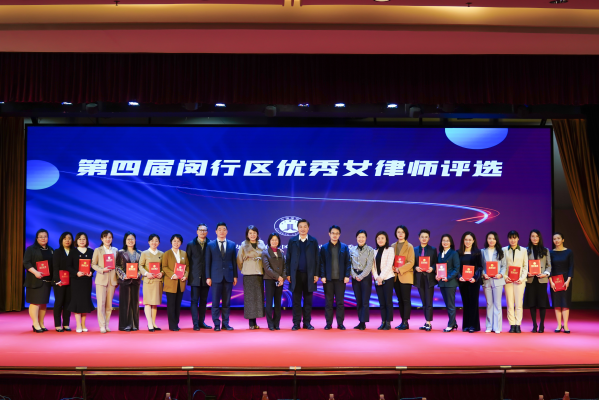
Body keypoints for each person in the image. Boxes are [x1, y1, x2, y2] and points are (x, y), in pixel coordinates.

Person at [285, 219, 319, 331]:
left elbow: (317, 259)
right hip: (296, 275)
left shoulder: (313, 241)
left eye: (305, 226)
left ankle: (307, 323)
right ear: (297, 228)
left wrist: (316, 274)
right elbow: (288, 258)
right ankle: (296, 323)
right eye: (300, 226)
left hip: (309, 275)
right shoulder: (292, 241)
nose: (303, 229)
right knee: (296, 301)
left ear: (308, 228)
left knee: (308, 301)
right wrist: (288, 274)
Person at [206, 222, 238, 331]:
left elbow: (234, 261)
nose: (222, 231)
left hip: (228, 276)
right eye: (219, 229)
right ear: (216, 231)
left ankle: (225, 323)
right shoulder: (210, 244)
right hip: (215, 277)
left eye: (224, 229)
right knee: (215, 302)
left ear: (227, 231)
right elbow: (208, 262)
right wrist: (208, 277)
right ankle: (216, 324)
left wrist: (235, 276)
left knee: (226, 302)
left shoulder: (232, 244)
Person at [319, 225, 351, 330]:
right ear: (329, 234)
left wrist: (347, 275)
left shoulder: (344, 247)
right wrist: (323, 275)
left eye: (337, 233)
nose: (335, 235)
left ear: (339, 235)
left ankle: (340, 323)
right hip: (328, 279)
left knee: (340, 302)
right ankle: (328, 323)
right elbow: (321, 263)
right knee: (328, 302)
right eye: (333, 233)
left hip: (340, 279)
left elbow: (348, 262)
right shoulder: (324, 248)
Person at [23, 229, 54, 333]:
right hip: (35, 280)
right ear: (37, 238)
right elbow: (26, 263)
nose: (43, 238)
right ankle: (35, 323)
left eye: (45, 236)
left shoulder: (51, 249)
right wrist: (35, 272)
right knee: (35, 302)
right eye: (41, 236)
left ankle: (41, 323)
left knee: (43, 303)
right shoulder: (31, 249)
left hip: (47, 280)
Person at [237, 225, 266, 329]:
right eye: (250, 233)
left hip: (259, 274)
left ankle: (255, 322)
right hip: (248, 274)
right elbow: (239, 260)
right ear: (247, 234)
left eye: (254, 233)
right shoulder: (243, 245)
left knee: (258, 298)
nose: (252, 235)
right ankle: (251, 323)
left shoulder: (261, 244)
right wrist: (245, 269)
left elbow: (266, 257)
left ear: (257, 234)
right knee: (249, 299)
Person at [524, 229, 552, 333]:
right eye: (532, 236)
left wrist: (545, 273)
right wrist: (527, 272)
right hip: (530, 280)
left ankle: (542, 325)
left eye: (536, 236)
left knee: (542, 303)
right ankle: (534, 325)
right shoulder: (526, 251)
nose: (534, 238)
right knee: (532, 303)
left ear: (539, 238)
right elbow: (523, 265)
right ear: (530, 238)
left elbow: (549, 266)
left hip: (542, 280)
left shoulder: (545, 250)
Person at [92, 230, 118, 334]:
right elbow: (93, 264)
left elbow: (117, 266)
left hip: (112, 280)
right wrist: (102, 270)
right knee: (101, 304)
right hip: (101, 280)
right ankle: (102, 325)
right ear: (102, 239)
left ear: (112, 239)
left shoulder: (115, 250)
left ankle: (107, 324)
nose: (108, 239)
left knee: (109, 305)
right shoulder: (98, 250)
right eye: (105, 237)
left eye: (110, 237)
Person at [186, 223, 212, 331]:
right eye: (200, 230)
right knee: (194, 301)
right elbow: (187, 261)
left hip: (206, 277)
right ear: (197, 231)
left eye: (204, 230)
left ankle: (201, 322)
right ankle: (195, 323)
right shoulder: (191, 244)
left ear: (207, 232)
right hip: (194, 277)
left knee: (204, 301)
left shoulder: (211, 244)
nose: (202, 232)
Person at [67, 232, 95, 333]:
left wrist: (91, 271)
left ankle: (83, 324)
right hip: (76, 280)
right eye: (79, 239)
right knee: (77, 302)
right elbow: (68, 266)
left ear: (86, 241)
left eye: (84, 239)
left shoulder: (91, 252)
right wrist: (76, 273)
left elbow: (94, 264)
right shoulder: (72, 252)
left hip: (86, 281)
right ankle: (78, 324)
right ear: (76, 241)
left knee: (84, 302)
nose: (82, 241)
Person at [162, 234, 189, 331]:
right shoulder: (166, 253)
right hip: (171, 282)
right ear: (171, 242)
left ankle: (176, 324)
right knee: (171, 305)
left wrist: (185, 275)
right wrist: (172, 275)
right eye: (174, 241)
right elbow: (164, 267)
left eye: (178, 241)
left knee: (178, 305)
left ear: (181, 243)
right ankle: (172, 325)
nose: (176, 243)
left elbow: (187, 267)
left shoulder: (184, 254)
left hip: (180, 283)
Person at [116, 231, 142, 331]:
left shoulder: (140, 253)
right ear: (125, 241)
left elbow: (141, 267)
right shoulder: (120, 252)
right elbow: (117, 266)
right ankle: (124, 325)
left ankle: (134, 325)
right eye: (128, 239)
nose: (130, 241)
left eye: (132, 239)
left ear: (135, 240)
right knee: (124, 304)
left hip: (135, 281)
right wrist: (123, 275)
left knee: (135, 304)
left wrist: (138, 274)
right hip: (125, 281)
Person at [457, 231, 483, 333]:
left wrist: (475, 277)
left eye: (470, 240)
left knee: (473, 303)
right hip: (463, 282)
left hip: (473, 282)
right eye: (466, 240)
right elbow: (457, 267)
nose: (468, 242)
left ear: (473, 241)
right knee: (465, 303)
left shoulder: (477, 252)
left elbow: (480, 267)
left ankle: (473, 325)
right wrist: (459, 276)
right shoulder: (458, 252)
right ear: (463, 241)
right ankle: (466, 325)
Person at [503, 230, 528, 333]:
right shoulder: (504, 250)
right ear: (508, 239)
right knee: (510, 303)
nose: (512, 240)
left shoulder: (523, 250)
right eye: (510, 238)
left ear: (518, 239)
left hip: (519, 281)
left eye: (514, 238)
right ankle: (512, 324)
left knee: (519, 303)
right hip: (508, 280)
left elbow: (525, 266)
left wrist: (521, 278)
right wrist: (505, 277)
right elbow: (502, 266)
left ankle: (518, 324)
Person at [481, 231, 506, 334]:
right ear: (487, 240)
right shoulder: (482, 252)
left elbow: (504, 266)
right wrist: (483, 274)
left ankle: (497, 327)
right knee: (489, 303)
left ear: (496, 240)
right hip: (487, 280)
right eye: (489, 238)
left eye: (493, 238)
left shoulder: (501, 251)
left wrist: (500, 274)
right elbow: (480, 266)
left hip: (498, 280)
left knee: (497, 303)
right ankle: (489, 326)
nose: (491, 240)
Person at [391, 225, 415, 330]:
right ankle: (402, 321)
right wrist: (392, 267)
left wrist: (399, 269)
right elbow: (390, 260)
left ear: (406, 234)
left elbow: (411, 262)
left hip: (405, 276)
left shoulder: (409, 246)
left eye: (402, 232)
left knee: (406, 299)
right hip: (395, 277)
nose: (400, 234)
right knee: (399, 300)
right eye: (398, 232)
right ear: (396, 234)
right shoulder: (392, 246)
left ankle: (406, 321)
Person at [350, 229, 374, 330]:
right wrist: (354, 275)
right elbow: (349, 264)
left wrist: (361, 276)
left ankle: (363, 322)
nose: (361, 239)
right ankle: (360, 321)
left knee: (365, 300)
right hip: (355, 276)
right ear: (356, 238)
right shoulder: (352, 249)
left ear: (366, 238)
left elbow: (369, 265)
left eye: (363, 237)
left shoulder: (370, 250)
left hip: (365, 277)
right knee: (358, 300)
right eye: (359, 237)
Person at [138, 234, 164, 332]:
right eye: (152, 241)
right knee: (148, 302)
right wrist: (146, 273)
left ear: (159, 243)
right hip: (148, 280)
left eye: (156, 241)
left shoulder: (162, 254)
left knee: (155, 303)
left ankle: (153, 323)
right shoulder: (144, 253)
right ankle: (149, 323)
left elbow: (164, 267)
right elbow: (140, 266)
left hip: (157, 281)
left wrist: (162, 273)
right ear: (149, 242)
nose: (154, 242)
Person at [413, 229, 438, 331]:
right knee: (423, 301)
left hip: (429, 278)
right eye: (422, 237)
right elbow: (412, 263)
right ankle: (426, 321)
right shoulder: (414, 249)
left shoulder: (433, 249)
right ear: (419, 238)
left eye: (426, 237)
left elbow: (436, 262)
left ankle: (428, 322)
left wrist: (432, 268)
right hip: (419, 278)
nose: (424, 239)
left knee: (429, 301)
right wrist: (415, 267)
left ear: (429, 238)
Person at [550, 232, 574, 334]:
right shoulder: (551, 253)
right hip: (555, 281)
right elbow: (549, 268)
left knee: (565, 303)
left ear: (563, 240)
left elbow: (571, 267)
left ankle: (566, 325)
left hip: (565, 280)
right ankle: (559, 325)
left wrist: (568, 280)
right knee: (557, 303)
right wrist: (551, 281)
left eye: (558, 238)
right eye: (554, 239)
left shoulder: (569, 252)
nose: (556, 240)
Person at [436, 234, 460, 332]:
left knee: (450, 304)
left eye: (447, 240)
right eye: (443, 240)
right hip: (442, 283)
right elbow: (439, 267)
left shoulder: (454, 253)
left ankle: (450, 324)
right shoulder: (440, 254)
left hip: (450, 283)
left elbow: (456, 269)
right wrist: (437, 275)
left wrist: (448, 277)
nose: (445, 242)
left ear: (451, 242)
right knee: (447, 304)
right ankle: (453, 323)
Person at [262, 233, 286, 331]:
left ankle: (276, 323)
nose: (274, 241)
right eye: (272, 240)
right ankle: (270, 324)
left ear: (279, 241)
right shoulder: (265, 253)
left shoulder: (281, 253)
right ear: (269, 241)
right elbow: (267, 268)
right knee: (269, 303)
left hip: (280, 281)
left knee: (278, 303)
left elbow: (285, 267)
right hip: (269, 280)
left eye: (276, 240)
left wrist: (282, 278)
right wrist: (278, 277)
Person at [372, 231, 395, 330]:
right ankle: (383, 321)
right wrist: (377, 277)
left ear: (386, 240)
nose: (380, 240)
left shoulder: (390, 249)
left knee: (388, 301)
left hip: (388, 278)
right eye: (378, 238)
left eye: (382, 238)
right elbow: (373, 267)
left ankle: (388, 322)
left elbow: (389, 265)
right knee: (381, 302)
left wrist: (381, 277)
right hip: (377, 279)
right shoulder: (374, 251)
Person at [53, 232, 73, 332]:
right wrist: (57, 280)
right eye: (65, 239)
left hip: (71, 281)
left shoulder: (74, 251)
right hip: (59, 281)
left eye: (69, 238)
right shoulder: (57, 252)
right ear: (61, 240)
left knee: (68, 303)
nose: (67, 240)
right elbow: (55, 267)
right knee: (59, 302)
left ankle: (66, 324)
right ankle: (57, 324)